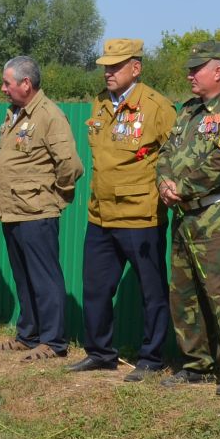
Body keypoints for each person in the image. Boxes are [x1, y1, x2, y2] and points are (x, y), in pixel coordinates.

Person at [156, 40, 220, 394]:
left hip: (218, 213)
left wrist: (180, 185)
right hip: (184, 214)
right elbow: (167, 151)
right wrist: (164, 182)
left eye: (196, 68)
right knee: (183, 293)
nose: (189, 74)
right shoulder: (188, 111)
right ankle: (196, 363)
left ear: (218, 71)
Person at [74, 38, 177, 378]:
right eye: (105, 66)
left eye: (116, 66)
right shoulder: (100, 103)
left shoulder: (156, 106)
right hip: (100, 213)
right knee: (96, 287)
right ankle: (101, 352)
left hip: (139, 215)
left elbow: (173, 155)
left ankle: (152, 357)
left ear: (136, 67)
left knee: (151, 290)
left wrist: (167, 188)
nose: (108, 72)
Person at [0, 56, 85, 360]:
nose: (3, 88)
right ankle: (28, 335)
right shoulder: (16, 114)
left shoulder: (49, 115)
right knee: (23, 276)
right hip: (13, 209)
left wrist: (55, 198)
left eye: (7, 83)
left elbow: (70, 165)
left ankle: (54, 342)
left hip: (37, 211)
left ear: (26, 84)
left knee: (44, 278)